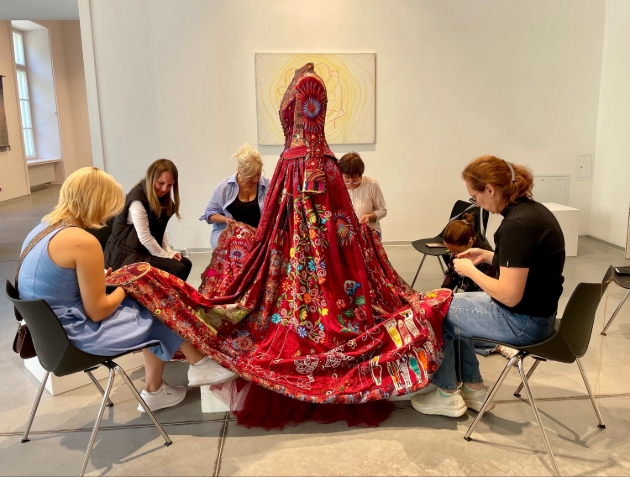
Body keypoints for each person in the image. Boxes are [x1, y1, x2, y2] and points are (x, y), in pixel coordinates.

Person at [109, 64, 451, 430]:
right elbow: (336, 226)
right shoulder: (324, 165)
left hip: (288, 266)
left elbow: (280, 218)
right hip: (319, 273)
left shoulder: (290, 162)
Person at [18, 168, 234, 413]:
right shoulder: (82, 241)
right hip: (76, 337)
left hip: (48, 335)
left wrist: (102, 281)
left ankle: (168, 382)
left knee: (150, 300)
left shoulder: (41, 230)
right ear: (97, 201)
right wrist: (127, 285)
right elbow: (98, 312)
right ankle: (192, 368)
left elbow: (56, 281)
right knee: (156, 305)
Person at [411, 155, 565, 417]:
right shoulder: (533, 212)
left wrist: (470, 270)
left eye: (475, 197)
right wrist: (487, 256)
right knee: (445, 300)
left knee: (437, 310)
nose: (477, 203)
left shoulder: (516, 225)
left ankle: (447, 393)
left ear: (490, 189)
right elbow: (527, 265)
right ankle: (473, 389)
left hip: (525, 322)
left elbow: (509, 295)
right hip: (539, 316)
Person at [104, 159, 192, 281]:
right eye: (161, 183)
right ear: (151, 178)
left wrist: (168, 251)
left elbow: (159, 229)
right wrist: (165, 255)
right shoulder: (137, 200)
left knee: (186, 264)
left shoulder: (162, 198)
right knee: (177, 268)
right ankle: (163, 299)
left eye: (169, 185)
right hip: (126, 256)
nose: (164, 189)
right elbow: (145, 237)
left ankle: (172, 298)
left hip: (142, 251)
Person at [200, 143, 270, 249]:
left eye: (258, 174)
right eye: (250, 177)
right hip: (229, 235)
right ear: (240, 171)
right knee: (236, 251)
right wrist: (225, 219)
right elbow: (209, 214)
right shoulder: (224, 187)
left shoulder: (267, 186)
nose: (256, 179)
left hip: (257, 236)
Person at [441, 212, 494, 292]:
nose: (452, 254)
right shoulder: (457, 249)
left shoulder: (487, 259)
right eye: (450, 250)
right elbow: (451, 272)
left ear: (470, 243)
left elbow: (487, 291)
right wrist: (445, 288)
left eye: (455, 251)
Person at [338, 152, 387, 238]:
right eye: (346, 177)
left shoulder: (371, 183)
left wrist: (369, 216)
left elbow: (382, 211)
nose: (350, 181)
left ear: (360, 175)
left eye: (354, 177)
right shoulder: (335, 185)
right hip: (344, 236)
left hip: (369, 234)